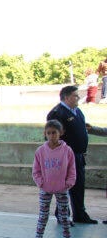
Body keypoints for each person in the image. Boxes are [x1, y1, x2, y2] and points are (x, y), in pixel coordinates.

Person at [47, 85, 97, 224]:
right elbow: (51, 137)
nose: (78, 98)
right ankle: (63, 215)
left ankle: (80, 214)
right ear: (67, 97)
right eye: (76, 95)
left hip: (79, 155)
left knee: (79, 185)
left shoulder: (77, 111)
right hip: (65, 156)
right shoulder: (57, 113)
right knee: (64, 186)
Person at [31, 120, 78, 238]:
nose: (51, 136)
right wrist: (41, 182)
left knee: (65, 218)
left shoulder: (67, 151)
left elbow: (72, 169)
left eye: (54, 133)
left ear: (61, 133)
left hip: (62, 189)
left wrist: (68, 183)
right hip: (46, 189)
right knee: (43, 217)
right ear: (45, 134)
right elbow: (36, 171)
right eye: (49, 133)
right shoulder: (40, 151)